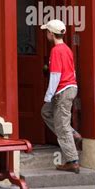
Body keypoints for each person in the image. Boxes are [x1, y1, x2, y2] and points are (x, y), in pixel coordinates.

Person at [40, 19, 82, 173]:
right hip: (69, 88)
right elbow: (73, 70)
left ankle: (72, 160)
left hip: (62, 90)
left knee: (62, 125)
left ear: (51, 33)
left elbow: (55, 75)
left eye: (47, 32)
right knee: (46, 112)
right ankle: (73, 133)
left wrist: (48, 95)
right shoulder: (67, 49)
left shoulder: (56, 51)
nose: (46, 34)